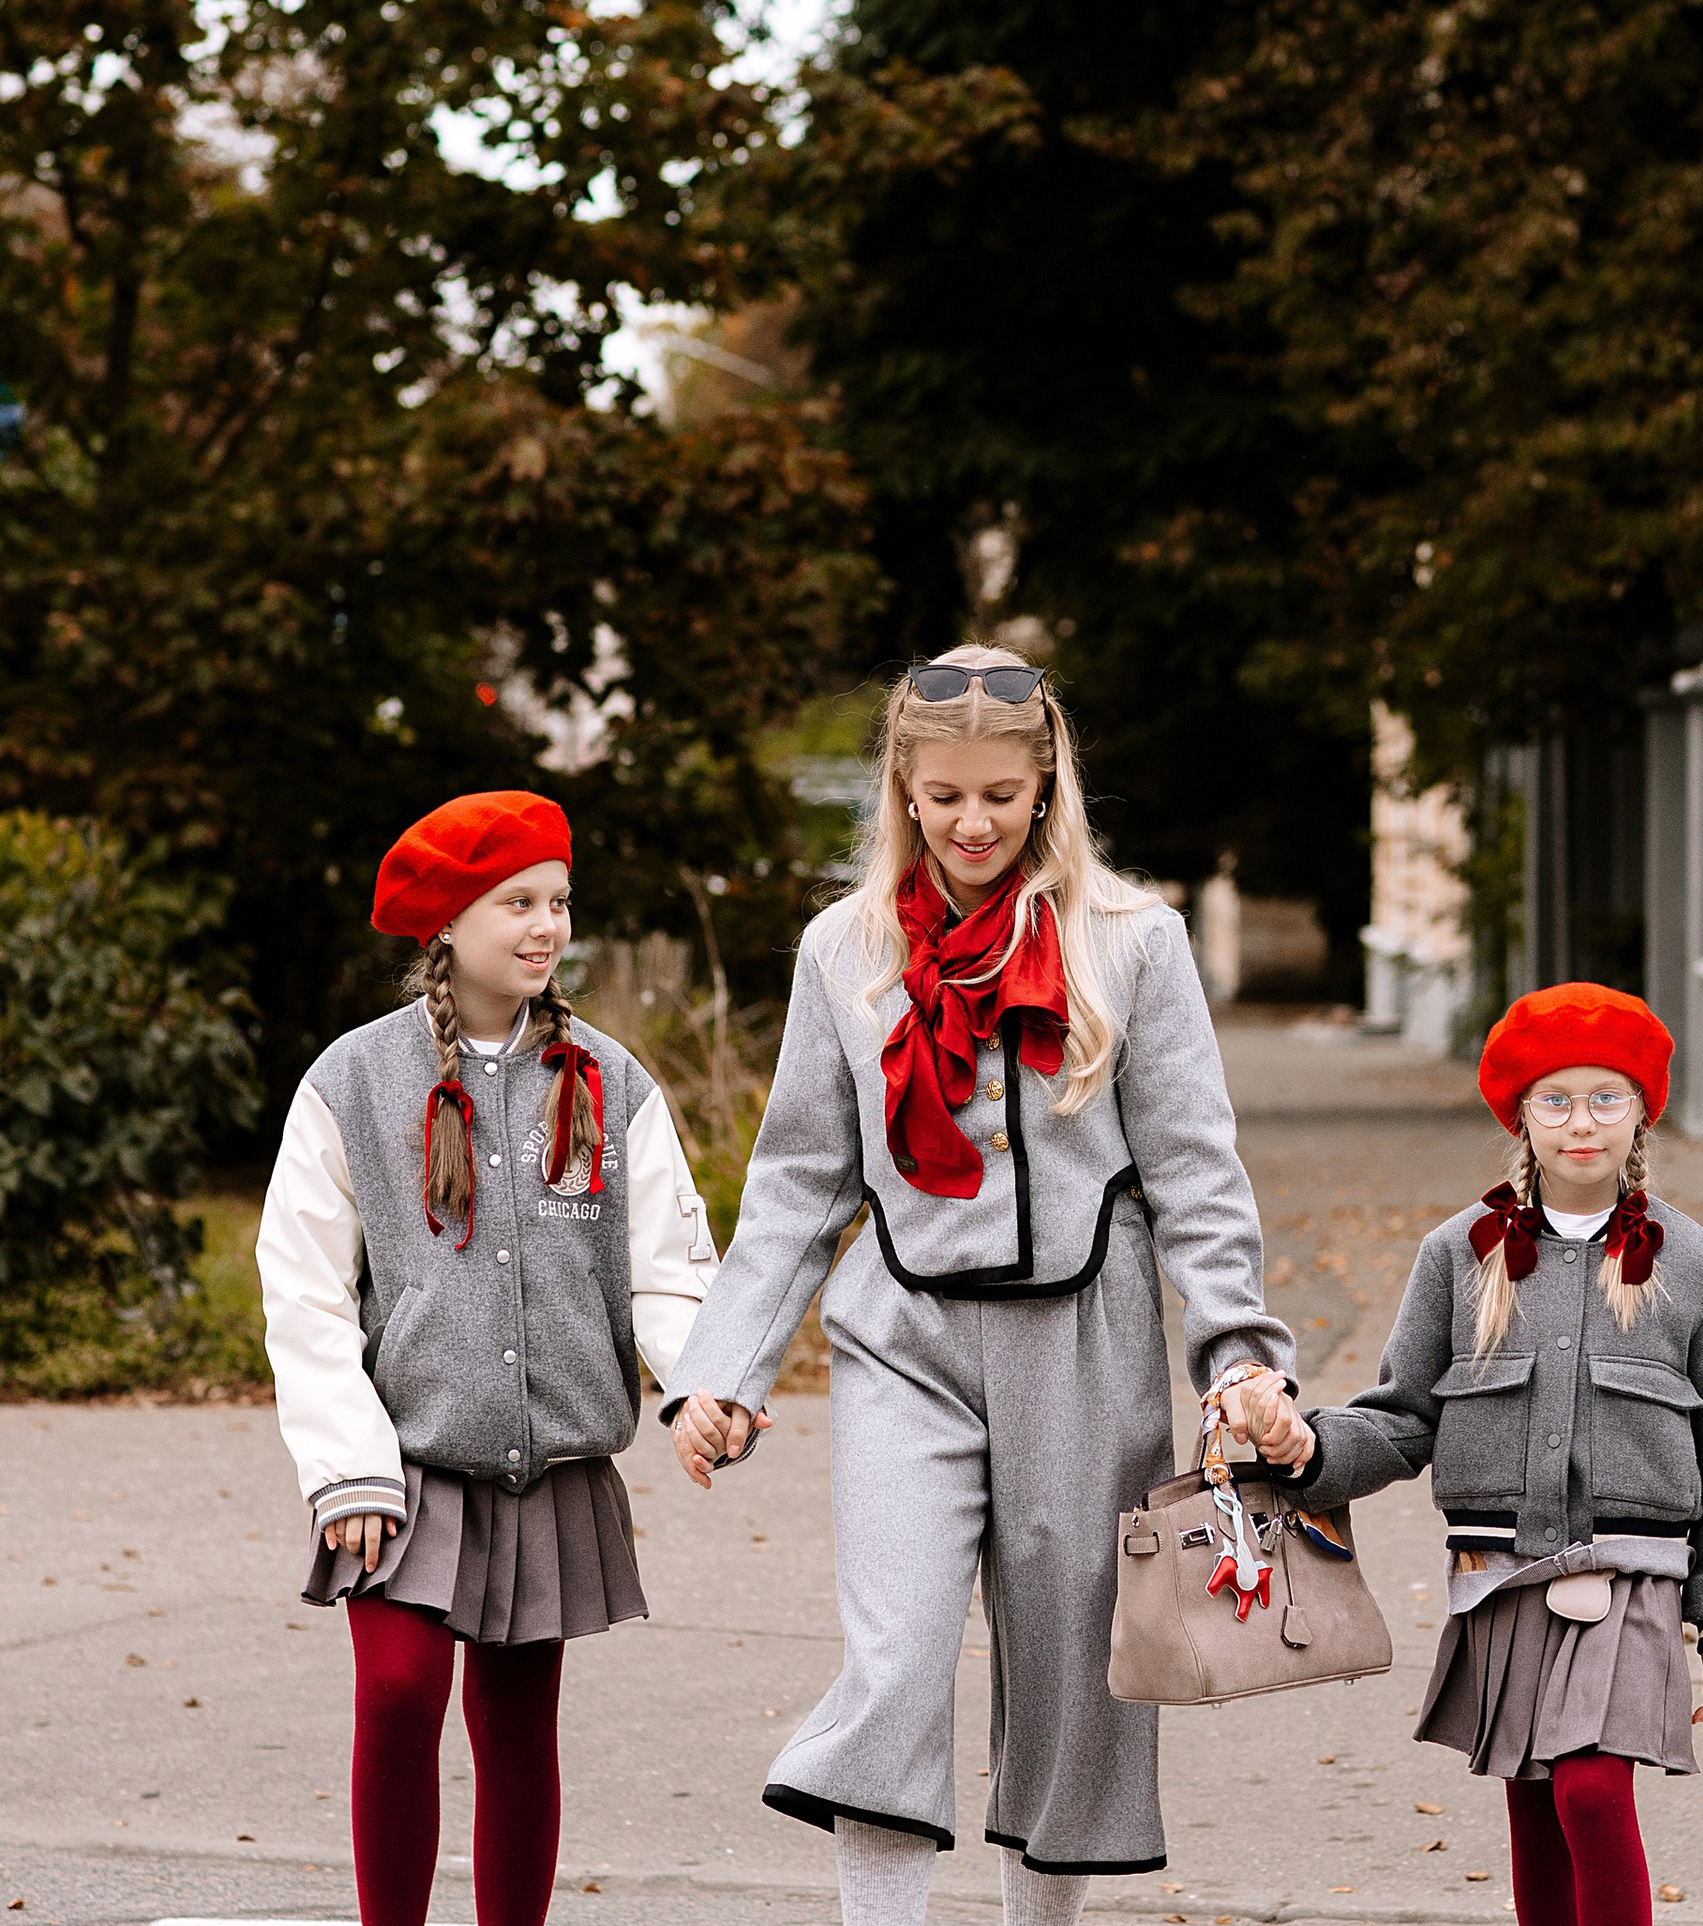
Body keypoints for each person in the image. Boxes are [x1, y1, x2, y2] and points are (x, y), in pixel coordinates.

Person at [661, 647, 1295, 1926]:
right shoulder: (843, 950)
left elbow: (1195, 1172)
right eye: (941, 795)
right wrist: (717, 1370)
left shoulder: (1133, 942)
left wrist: (1236, 1352)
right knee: (893, 1665)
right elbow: (796, 1178)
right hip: (904, 1340)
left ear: (1047, 783)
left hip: (1085, 1346)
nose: (971, 822)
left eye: (1001, 794)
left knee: (1070, 1678)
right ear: (900, 788)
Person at [257, 789, 721, 1926]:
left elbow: (666, 1265)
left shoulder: (612, 1082)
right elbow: (306, 1291)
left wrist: (701, 1382)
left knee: (518, 1727)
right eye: (515, 900)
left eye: (558, 900)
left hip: (549, 1467)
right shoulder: (353, 1082)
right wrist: (345, 1463)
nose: (544, 924)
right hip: (401, 1466)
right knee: (402, 1692)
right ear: (446, 924)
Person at [1230, 982, 1703, 1926]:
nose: (1580, 1123)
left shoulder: (1693, 1264)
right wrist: (1308, 1442)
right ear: (1520, 1113)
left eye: (1606, 1097)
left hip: (1633, 1577)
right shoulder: (1459, 1254)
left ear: (1642, 1109)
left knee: (1592, 1795)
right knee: (1535, 1805)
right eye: (1555, 1099)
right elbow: (1403, 1418)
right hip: (1500, 1576)